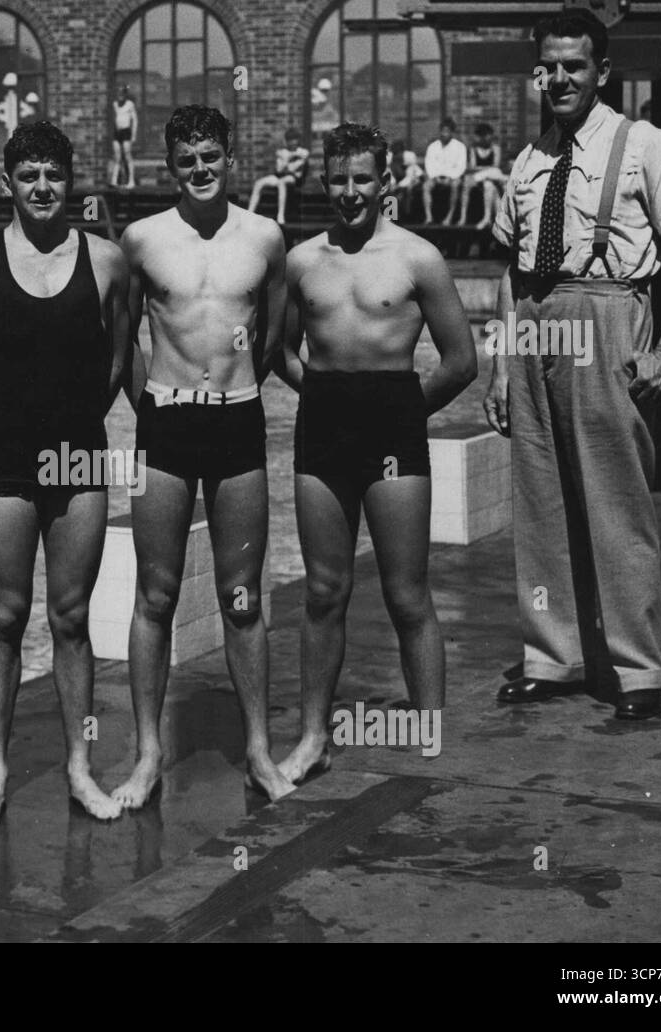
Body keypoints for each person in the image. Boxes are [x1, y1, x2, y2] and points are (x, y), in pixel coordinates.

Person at [484, 7, 661, 720]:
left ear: (601, 72)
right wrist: (500, 363)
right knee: (541, 500)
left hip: (609, 314)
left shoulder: (645, 143)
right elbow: (510, 273)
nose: (559, 78)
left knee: (616, 502)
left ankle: (637, 669)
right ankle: (554, 655)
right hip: (535, 325)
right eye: (548, 66)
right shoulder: (529, 159)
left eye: (574, 66)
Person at [278, 122, 477, 782]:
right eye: (338, 179)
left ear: (385, 182)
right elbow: (277, 351)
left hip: (394, 429)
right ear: (323, 181)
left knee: (406, 593)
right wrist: (327, 396)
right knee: (324, 591)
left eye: (363, 178)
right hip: (324, 429)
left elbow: (460, 362)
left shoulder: (418, 258)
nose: (350, 191)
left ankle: (428, 734)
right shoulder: (303, 259)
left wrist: (398, 410)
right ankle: (313, 737)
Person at [114, 105, 291, 808]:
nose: (200, 171)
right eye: (186, 161)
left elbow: (274, 332)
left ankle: (257, 750)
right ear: (170, 166)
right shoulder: (141, 239)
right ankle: (148, 753)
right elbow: (122, 334)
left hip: (238, 425)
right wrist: (150, 401)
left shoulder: (266, 238)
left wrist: (239, 389)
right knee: (154, 596)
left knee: (242, 599)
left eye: (210, 157)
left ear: (228, 156)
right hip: (165, 426)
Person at [0, 121, 130, 825]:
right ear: (8, 184)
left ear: (71, 181)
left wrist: (82, 426)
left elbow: (121, 355)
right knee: (4, 616)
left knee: (69, 618)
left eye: (53, 176)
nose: (41, 188)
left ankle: (79, 769)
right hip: (5, 458)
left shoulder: (107, 261)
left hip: (81, 459)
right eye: (28, 176)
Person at [247, 128, 311, 225]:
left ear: (298, 140)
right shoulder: (282, 152)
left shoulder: (303, 152)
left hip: (294, 178)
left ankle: (280, 215)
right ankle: (249, 213)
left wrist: (288, 158)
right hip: (280, 175)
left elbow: (293, 168)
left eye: (294, 139)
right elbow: (279, 170)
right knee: (259, 183)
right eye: (290, 140)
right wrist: (286, 160)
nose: (293, 142)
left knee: (282, 182)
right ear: (286, 141)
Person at [457, 123, 508, 230]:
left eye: (490, 135)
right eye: (487, 135)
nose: (489, 138)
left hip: (489, 178)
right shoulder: (474, 149)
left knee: (489, 185)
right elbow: (472, 167)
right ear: (482, 136)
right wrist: (485, 170)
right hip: (482, 177)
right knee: (470, 181)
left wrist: (483, 170)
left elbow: (496, 165)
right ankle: (463, 216)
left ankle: (487, 218)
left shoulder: (496, 149)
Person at [422, 118, 467, 225]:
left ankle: (449, 217)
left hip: (452, 178)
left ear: (452, 133)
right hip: (435, 177)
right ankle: (429, 217)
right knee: (425, 186)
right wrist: (435, 177)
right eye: (442, 131)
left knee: (456, 185)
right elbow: (429, 164)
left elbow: (461, 166)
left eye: (447, 131)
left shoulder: (460, 147)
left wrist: (450, 177)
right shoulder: (433, 147)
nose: (444, 134)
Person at [111, 85, 138, 189]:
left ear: (125, 95)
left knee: (127, 155)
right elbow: (115, 119)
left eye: (122, 94)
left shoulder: (130, 104)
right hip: (117, 132)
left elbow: (134, 120)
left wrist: (133, 135)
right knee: (117, 156)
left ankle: (131, 180)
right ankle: (114, 180)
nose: (120, 96)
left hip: (126, 132)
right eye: (118, 94)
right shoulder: (115, 105)